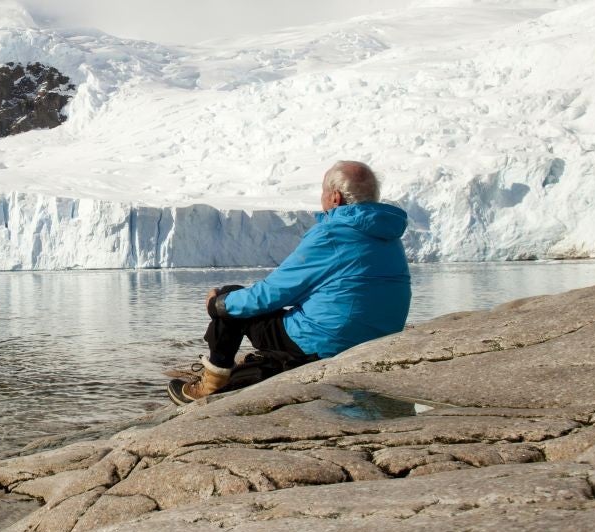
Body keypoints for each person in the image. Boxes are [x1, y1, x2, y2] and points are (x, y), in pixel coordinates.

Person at [169, 161, 412, 405]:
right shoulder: (388, 235)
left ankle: (210, 386)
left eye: (323, 192)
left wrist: (217, 305)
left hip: (327, 344)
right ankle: (256, 369)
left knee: (230, 300)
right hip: (376, 342)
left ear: (335, 198)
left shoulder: (331, 234)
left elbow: (273, 293)